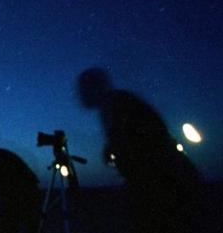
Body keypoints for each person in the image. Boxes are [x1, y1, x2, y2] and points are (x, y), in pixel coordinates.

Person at [77, 67, 203, 233]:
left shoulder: (120, 105)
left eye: (83, 89)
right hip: (160, 182)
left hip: (166, 185)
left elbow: (146, 144)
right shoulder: (115, 105)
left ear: (95, 88)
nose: (80, 95)